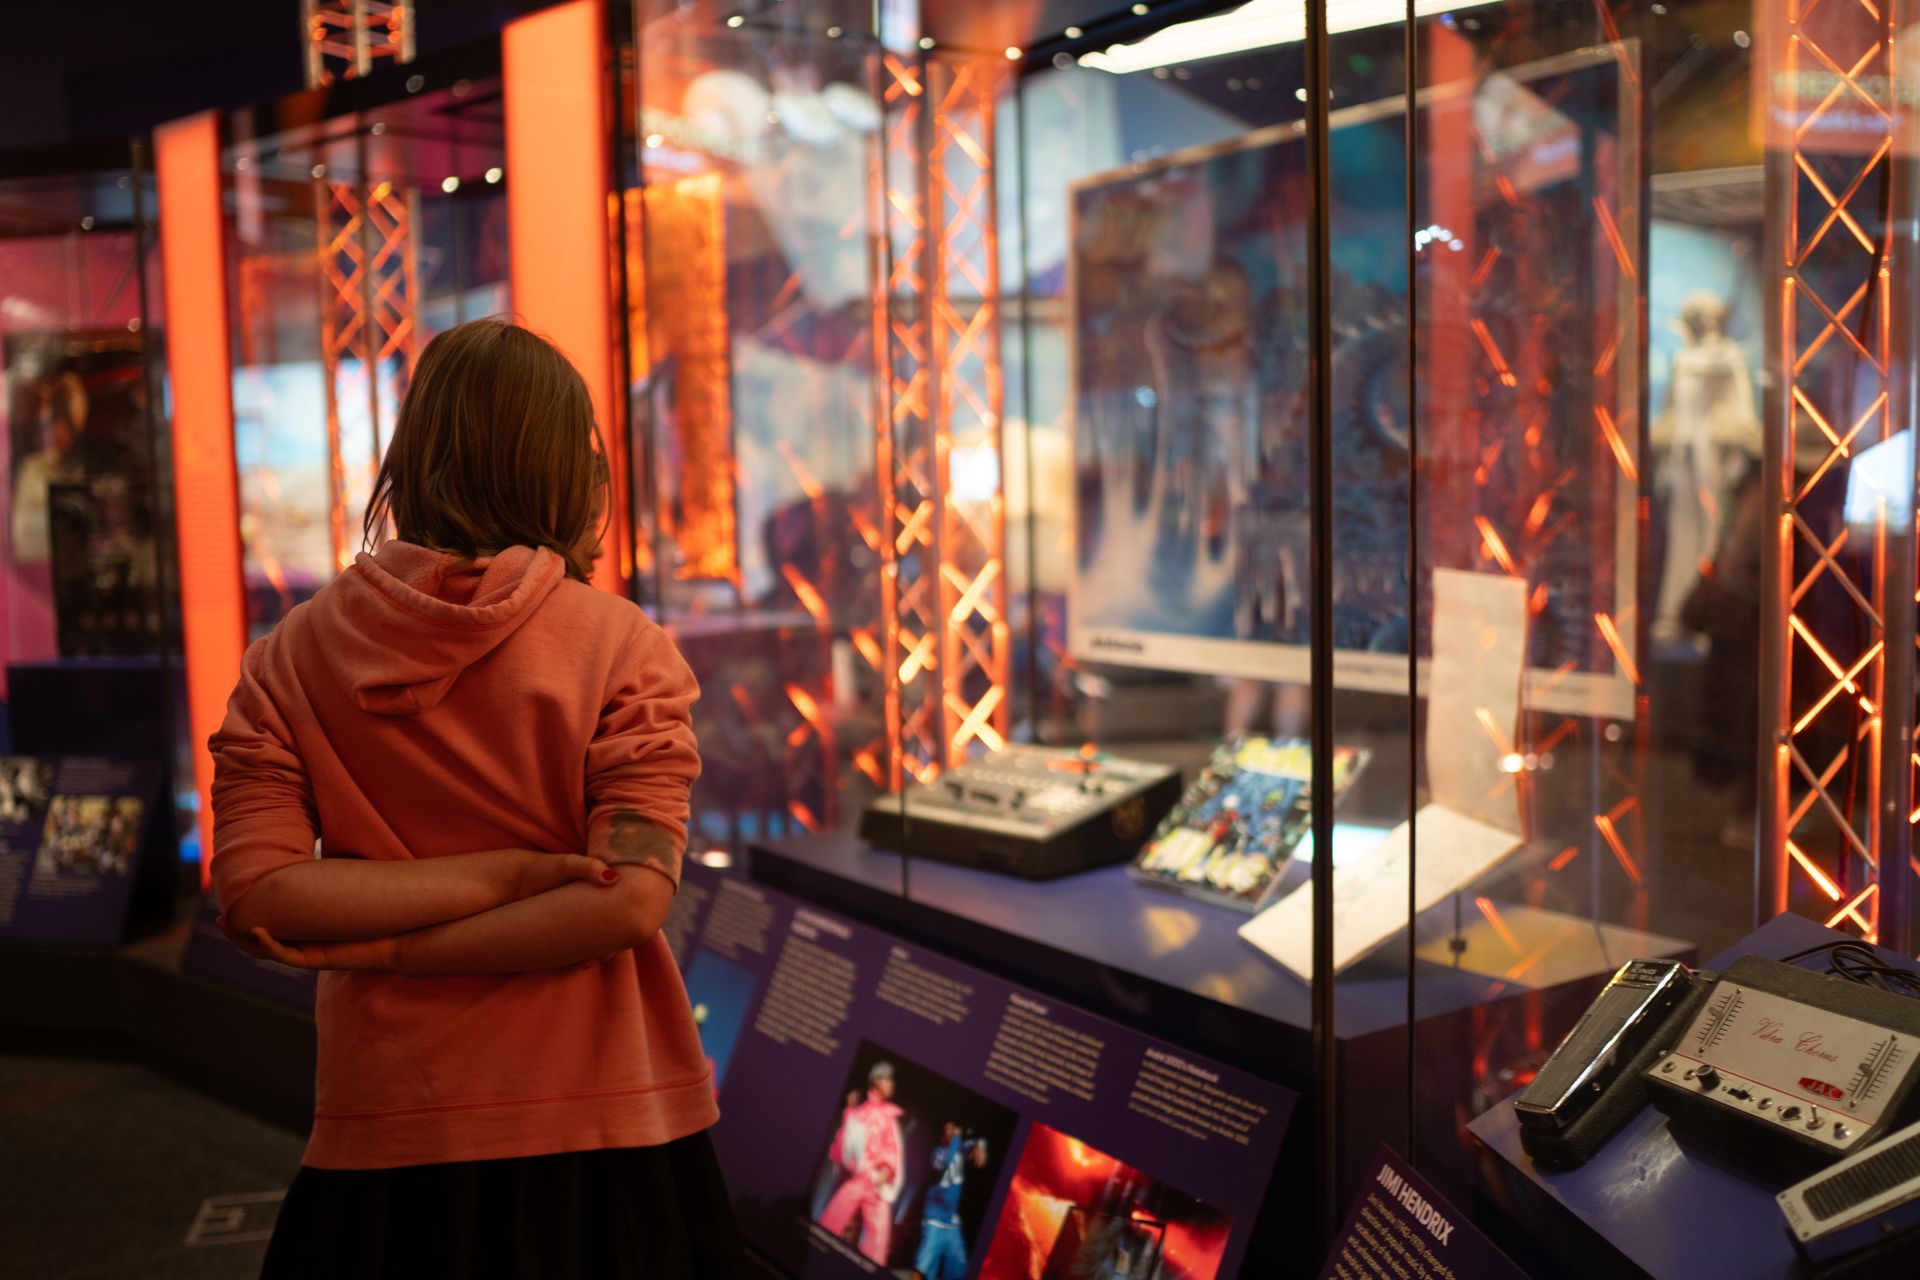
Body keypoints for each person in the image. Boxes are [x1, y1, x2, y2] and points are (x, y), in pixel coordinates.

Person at [208, 319, 739, 1278]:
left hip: (387, 1123)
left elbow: (261, 895)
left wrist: (385, 950)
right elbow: (626, 897)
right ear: (569, 472)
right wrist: (517, 875)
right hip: (610, 1121)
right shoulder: (623, 646)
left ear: (410, 459)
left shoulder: (289, 656)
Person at [819, 1060, 905, 1264]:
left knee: (877, 1241)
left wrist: (887, 1169)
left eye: (892, 1080)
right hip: (859, 1179)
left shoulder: (889, 1118)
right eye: (888, 1079)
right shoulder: (858, 1114)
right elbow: (842, 1151)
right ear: (876, 1081)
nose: (892, 1084)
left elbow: (892, 1149)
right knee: (831, 1220)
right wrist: (848, 1114)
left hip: (876, 1184)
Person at [912, 1122, 988, 1280]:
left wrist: (980, 1146)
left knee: (959, 1269)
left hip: (952, 1222)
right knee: (922, 1268)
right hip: (935, 1220)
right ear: (942, 1137)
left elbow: (980, 1156)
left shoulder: (959, 1148)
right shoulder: (938, 1153)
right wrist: (957, 1136)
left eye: (952, 1129)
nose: (951, 1132)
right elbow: (945, 1163)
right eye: (947, 1130)